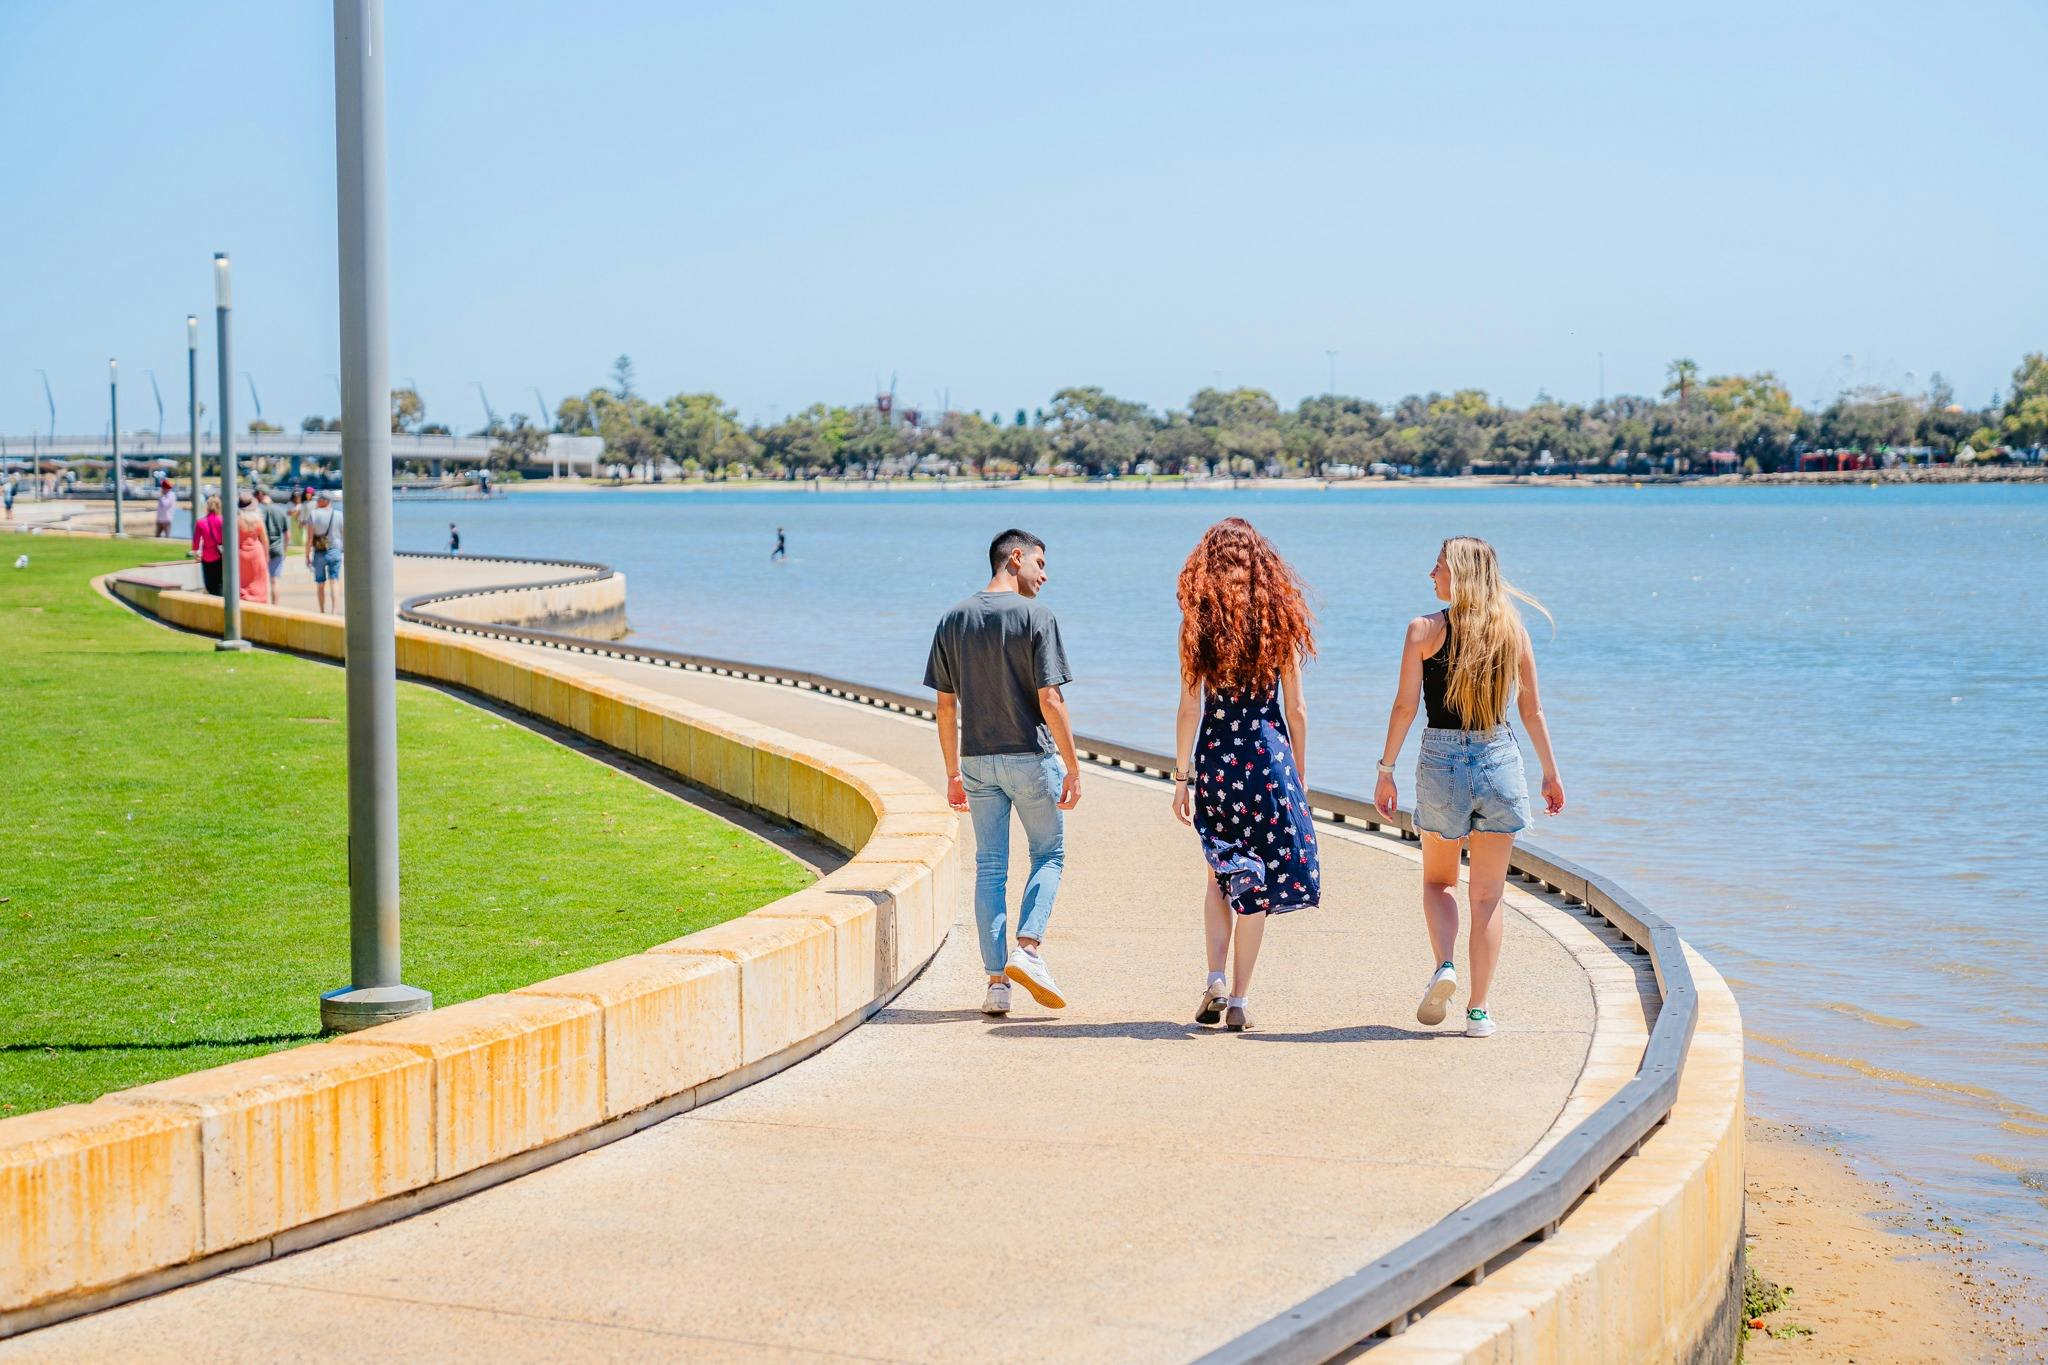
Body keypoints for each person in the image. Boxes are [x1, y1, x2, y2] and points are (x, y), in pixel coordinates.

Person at [1373, 536, 1564, 1039]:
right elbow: (1532, 711)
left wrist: (1385, 768)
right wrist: (1550, 771)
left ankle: (1445, 967)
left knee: (1439, 882)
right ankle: (1478, 1012)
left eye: (1437, 567)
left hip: (1440, 761)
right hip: (1499, 758)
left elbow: (1405, 707)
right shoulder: (1512, 632)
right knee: (1488, 895)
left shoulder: (1423, 630)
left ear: (1458, 575)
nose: (1430, 575)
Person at [1170, 518, 1320, 1032]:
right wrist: (1298, 777)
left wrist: (1180, 777)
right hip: (1269, 761)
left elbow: (1189, 708)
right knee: (1256, 884)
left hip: (1217, 760)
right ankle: (1238, 1001)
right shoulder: (1279, 622)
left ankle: (1214, 975)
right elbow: (1296, 710)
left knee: (1222, 872)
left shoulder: (1197, 624)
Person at [924, 528, 1081, 1016]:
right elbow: (1050, 700)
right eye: (1039, 563)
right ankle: (1028, 950)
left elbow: (945, 708)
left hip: (975, 759)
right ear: (1016, 558)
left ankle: (996, 984)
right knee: (1049, 856)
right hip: (1030, 758)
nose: (1045, 575)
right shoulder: (1038, 616)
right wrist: (1074, 766)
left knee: (990, 866)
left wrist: (952, 771)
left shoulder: (953, 618)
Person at [305, 489, 343, 613]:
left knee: (320, 584)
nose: (317, 501)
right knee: (334, 581)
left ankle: (322, 611)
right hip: (335, 550)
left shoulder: (313, 514)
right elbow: (344, 534)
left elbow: (309, 538)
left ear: (324, 500)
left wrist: (307, 555)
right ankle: (334, 611)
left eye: (319, 499)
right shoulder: (339, 514)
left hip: (319, 552)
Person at [235, 496, 271, 604]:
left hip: (241, 553)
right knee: (259, 579)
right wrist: (266, 556)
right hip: (257, 553)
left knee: (243, 581)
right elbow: (265, 540)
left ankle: (245, 598)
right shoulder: (257, 520)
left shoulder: (236, 521)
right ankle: (259, 600)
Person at [257, 487, 289, 602]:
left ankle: (264, 605)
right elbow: (287, 534)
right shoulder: (280, 510)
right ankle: (276, 606)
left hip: (261, 550)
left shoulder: (258, 511)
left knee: (261, 581)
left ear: (260, 494)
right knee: (274, 581)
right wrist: (285, 550)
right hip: (277, 549)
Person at [191, 494, 225, 596]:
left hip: (207, 556)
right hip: (220, 555)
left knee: (209, 583)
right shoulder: (223, 521)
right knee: (220, 582)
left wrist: (196, 553)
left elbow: (196, 543)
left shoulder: (200, 522)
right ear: (219, 506)